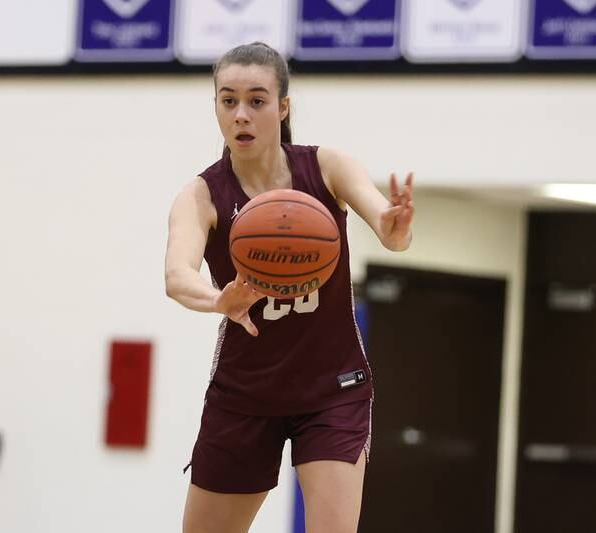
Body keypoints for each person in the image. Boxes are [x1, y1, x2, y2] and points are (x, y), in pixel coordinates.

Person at [165, 41, 414, 533]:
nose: (241, 114)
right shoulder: (201, 195)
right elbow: (177, 276)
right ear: (215, 106)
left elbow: (387, 230)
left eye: (256, 101)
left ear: (282, 107)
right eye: (228, 100)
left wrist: (394, 224)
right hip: (245, 394)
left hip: (332, 390)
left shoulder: (326, 168)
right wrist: (220, 300)